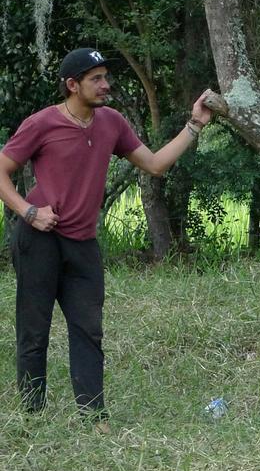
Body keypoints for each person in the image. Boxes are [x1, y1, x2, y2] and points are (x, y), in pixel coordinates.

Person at [0, 48, 213, 428]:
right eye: (95, 79)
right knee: (34, 330)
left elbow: (156, 164)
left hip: (83, 244)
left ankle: (94, 416)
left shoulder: (111, 123)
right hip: (39, 240)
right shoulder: (42, 123)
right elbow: (2, 170)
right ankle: (32, 416)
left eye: (105, 77)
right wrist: (29, 212)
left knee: (88, 329)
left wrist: (194, 125)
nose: (105, 85)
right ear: (72, 85)